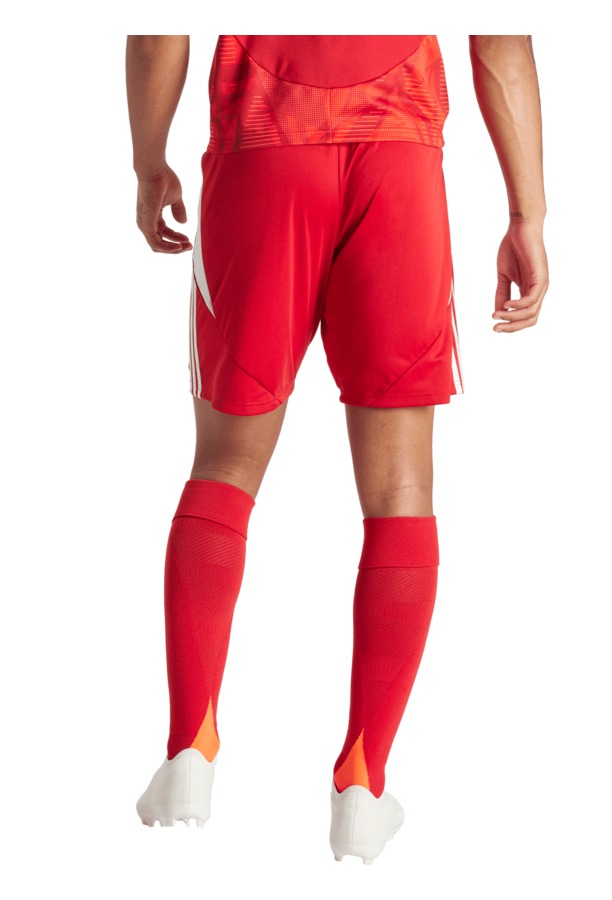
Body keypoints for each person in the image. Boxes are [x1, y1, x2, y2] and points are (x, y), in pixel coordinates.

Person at [126, 34, 548, 864]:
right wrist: (525, 213)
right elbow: (501, 43)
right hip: (398, 160)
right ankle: (362, 780)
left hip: (263, 150)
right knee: (400, 490)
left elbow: (156, 30)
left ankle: (188, 751)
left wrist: (148, 164)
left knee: (225, 465)